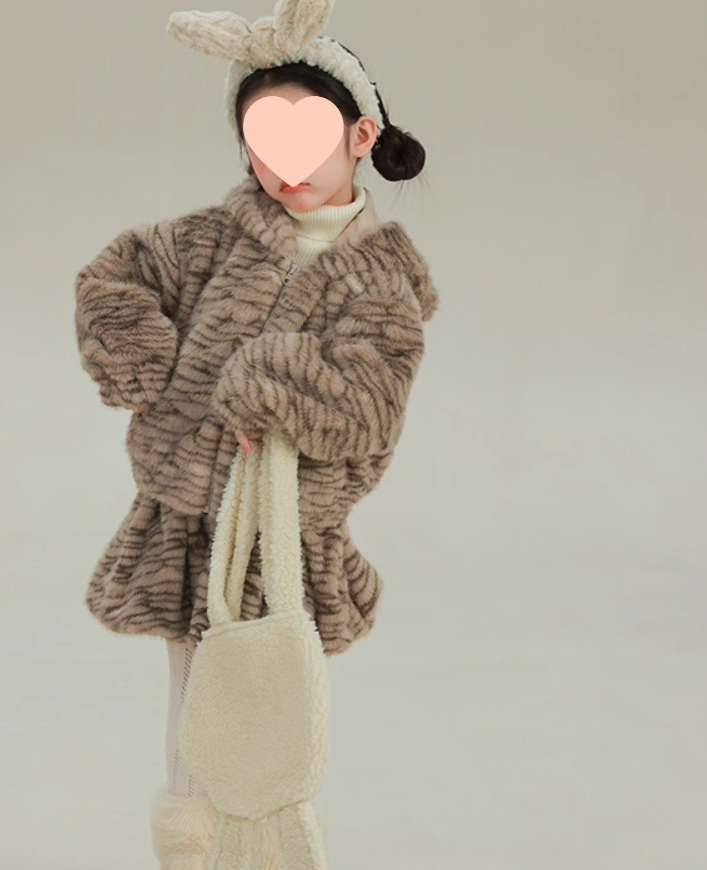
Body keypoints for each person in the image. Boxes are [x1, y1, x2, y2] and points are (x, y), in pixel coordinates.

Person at [73, 3, 440, 866]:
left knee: (269, 713)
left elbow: (368, 407)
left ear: (359, 135)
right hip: (182, 521)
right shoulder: (207, 240)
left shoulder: (381, 281)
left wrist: (268, 381)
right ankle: (190, 848)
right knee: (188, 708)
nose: (284, 167)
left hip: (280, 536)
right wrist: (139, 362)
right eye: (263, 143)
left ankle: (269, 847)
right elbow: (114, 277)